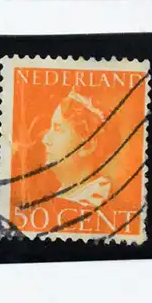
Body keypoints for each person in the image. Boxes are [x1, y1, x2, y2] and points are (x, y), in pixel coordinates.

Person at [35, 89, 118, 220]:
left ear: (87, 145)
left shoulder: (95, 200)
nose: (45, 139)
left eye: (58, 129)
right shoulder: (66, 195)